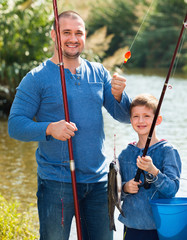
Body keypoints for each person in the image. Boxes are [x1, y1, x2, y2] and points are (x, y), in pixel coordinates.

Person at [8, 10, 131, 240]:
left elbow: (124, 116)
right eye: (66, 32)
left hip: (98, 183)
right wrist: (49, 128)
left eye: (78, 33)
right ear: (55, 35)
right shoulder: (36, 78)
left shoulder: (99, 73)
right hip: (56, 183)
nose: (73, 38)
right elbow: (14, 125)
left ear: (84, 37)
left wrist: (119, 96)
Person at [118, 93, 181, 240]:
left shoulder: (168, 151)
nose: (141, 121)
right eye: (136, 116)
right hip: (131, 226)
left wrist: (154, 171)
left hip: (159, 227)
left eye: (147, 116)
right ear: (130, 120)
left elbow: (171, 191)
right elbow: (114, 194)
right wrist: (125, 188)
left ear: (158, 120)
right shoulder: (125, 154)